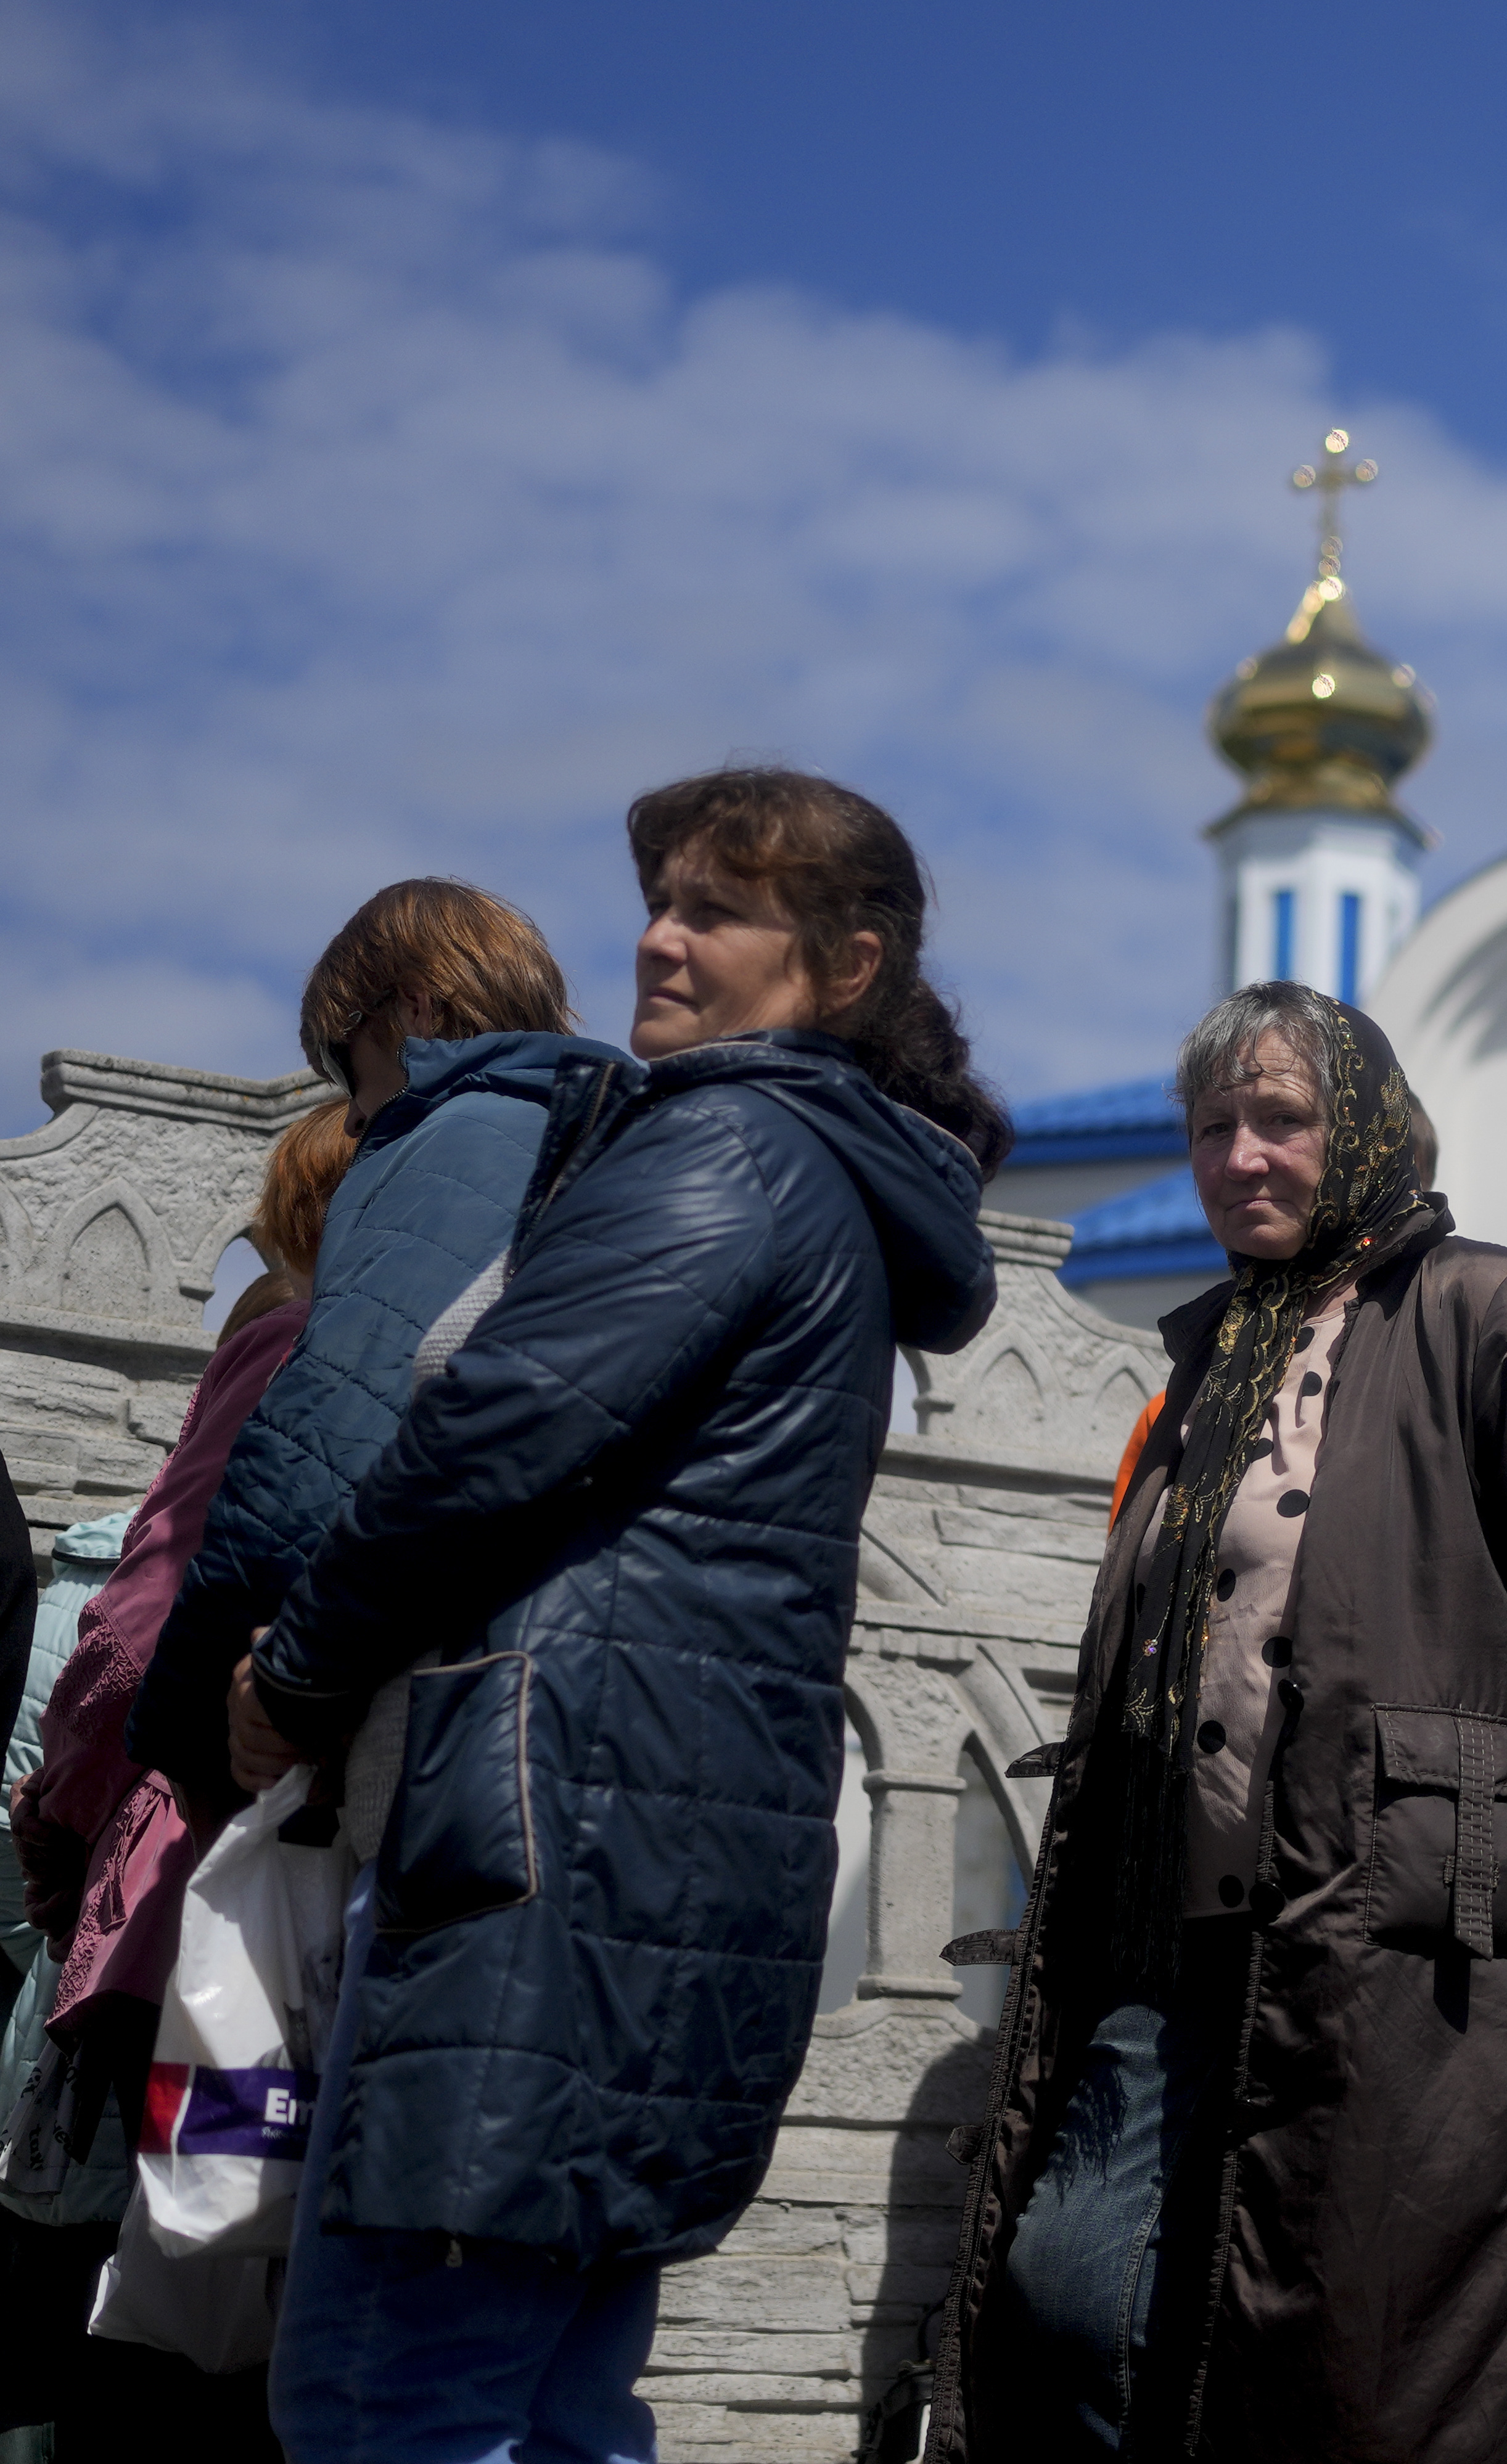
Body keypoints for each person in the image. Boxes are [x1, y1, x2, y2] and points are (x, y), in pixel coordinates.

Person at [193, 775, 1004, 2464]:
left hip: (547, 1853)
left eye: (717, 911)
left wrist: (296, 1665)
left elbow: (490, 1434)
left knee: (387, 2401)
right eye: (659, 899)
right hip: (647, 1862)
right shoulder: (809, 1171)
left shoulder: (725, 1144)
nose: (656, 935)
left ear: (842, 967)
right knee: (547, 2407)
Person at [949, 978, 1507, 2464]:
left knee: (1363, 2354)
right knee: (1067, 2293)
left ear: (1365, 1132)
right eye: (1214, 1125)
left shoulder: (1478, 1304)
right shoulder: (1210, 1355)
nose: (1241, 1154)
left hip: (1378, 1928)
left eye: (1281, 1118)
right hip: (1163, 1933)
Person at [6, 1108, 350, 2462]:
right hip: (332, 1942)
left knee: (169, 2258)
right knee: (257, 2277)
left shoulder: (284, 1347)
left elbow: (139, 1639)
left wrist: (60, 1845)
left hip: (185, 1929)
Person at [128, 881, 599, 1817]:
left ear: (414, 1006)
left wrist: (184, 1728)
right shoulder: (615, 1140)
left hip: (440, 1733)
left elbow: (328, 1444)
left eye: (354, 1072)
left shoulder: (456, 1136)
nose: (352, 1119)